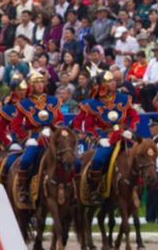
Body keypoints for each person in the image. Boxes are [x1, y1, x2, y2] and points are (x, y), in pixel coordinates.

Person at [73, 71, 140, 205]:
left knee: (141, 158)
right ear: (101, 85)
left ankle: (137, 188)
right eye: (109, 81)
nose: (113, 83)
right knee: (97, 160)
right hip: (105, 139)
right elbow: (89, 127)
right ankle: (95, 190)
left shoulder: (123, 98)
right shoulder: (92, 104)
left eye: (113, 81)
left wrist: (131, 131)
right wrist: (98, 140)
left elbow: (134, 116)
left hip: (123, 136)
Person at [11, 72, 64, 205]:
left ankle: (72, 189)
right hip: (34, 137)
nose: (40, 85)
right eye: (37, 83)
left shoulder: (53, 100)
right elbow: (16, 125)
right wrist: (25, 139)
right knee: (26, 160)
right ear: (31, 85)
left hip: (52, 136)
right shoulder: (24, 103)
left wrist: (53, 130)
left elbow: (60, 119)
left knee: (71, 159)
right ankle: (23, 189)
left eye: (42, 82)